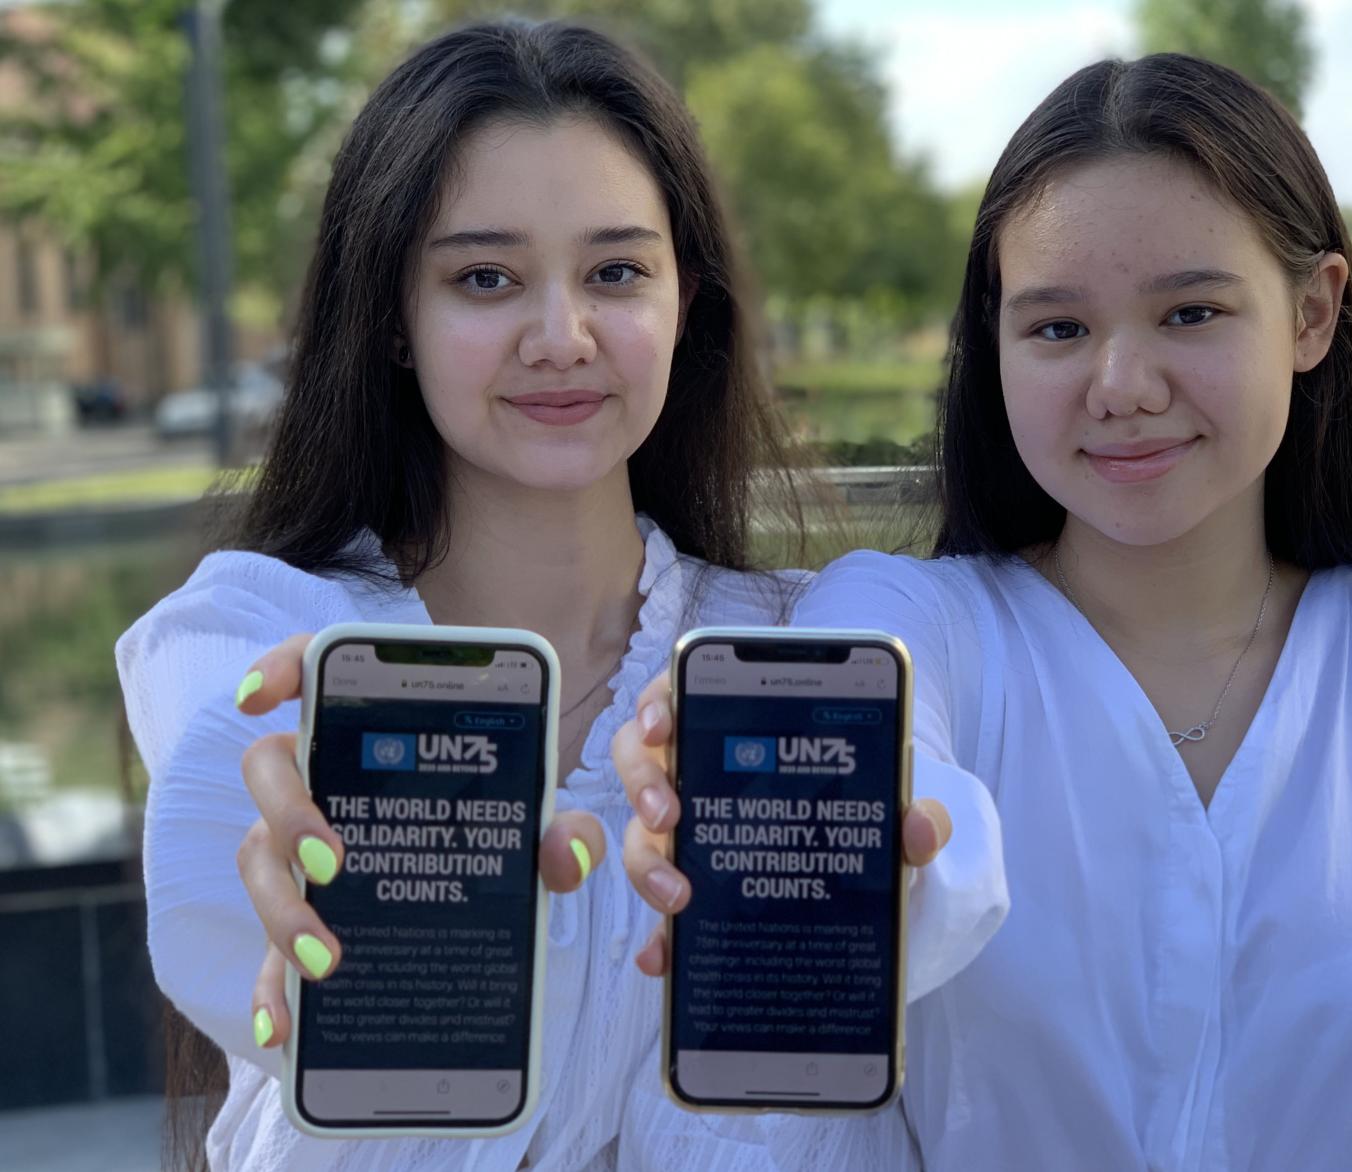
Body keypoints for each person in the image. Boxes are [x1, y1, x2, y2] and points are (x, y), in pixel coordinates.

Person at [116, 21, 978, 1172]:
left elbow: (956, 863)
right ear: (391, 322)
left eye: (616, 272)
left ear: (688, 303)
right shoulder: (259, 638)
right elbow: (220, 810)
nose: (562, 337)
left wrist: (902, 860)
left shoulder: (795, 650)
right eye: (485, 277)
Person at [615, 53, 1352, 1170]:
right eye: (1057, 329)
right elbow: (881, 754)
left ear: (1312, 313)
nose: (1121, 383)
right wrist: (829, 815)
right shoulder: (914, 620)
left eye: (1190, 311)